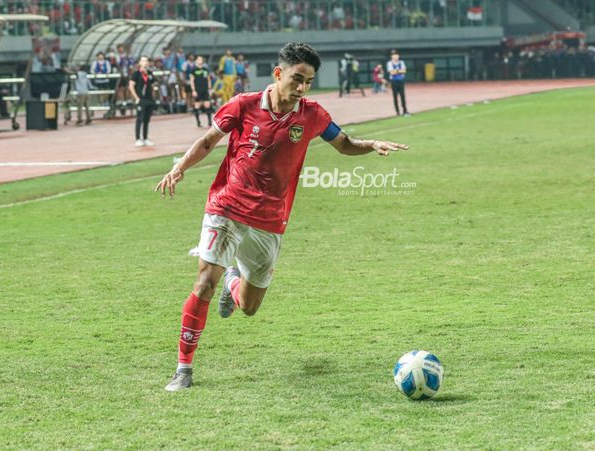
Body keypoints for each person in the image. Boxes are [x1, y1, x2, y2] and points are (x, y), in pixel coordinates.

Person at [154, 42, 409, 392]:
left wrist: (371, 144)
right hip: (227, 206)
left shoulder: (313, 115)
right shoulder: (243, 105)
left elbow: (344, 143)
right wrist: (180, 167)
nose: (302, 88)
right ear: (278, 74)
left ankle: (233, 280)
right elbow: (209, 140)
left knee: (249, 307)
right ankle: (183, 368)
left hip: (270, 220)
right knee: (202, 284)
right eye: (297, 79)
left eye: (309, 81)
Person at [128, 55, 156, 147]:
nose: (146, 63)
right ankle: (137, 138)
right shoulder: (136, 73)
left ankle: (145, 138)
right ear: (140, 63)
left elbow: (153, 84)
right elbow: (131, 86)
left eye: (147, 61)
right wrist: (136, 97)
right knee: (140, 119)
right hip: (141, 99)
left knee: (147, 120)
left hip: (149, 99)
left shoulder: (150, 73)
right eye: (143, 61)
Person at [190, 56, 213, 128]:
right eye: (199, 59)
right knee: (197, 105)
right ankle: (198, 123)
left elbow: (209, 79)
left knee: (208, 105)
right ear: (196, 61)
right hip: (197, 90)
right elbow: (192, 81)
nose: (200, 60)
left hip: (205, 89)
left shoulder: (205, 69)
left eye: (201, 59)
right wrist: (193, 90)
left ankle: (209, 123)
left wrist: (209, 89)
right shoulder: (193, 70)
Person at [387, 50, 409, 116]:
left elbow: (404, 71)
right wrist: (399, 71)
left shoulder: (401, 62)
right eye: (394, 55)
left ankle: (405, 110)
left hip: (401, 81)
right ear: (391, 56)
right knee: (395, 96)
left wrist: (396, 71)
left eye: (397, 55)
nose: (396, 56)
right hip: (394, 81)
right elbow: (391, 72)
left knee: (402, 96)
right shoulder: (389, 63)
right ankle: (397, 111)